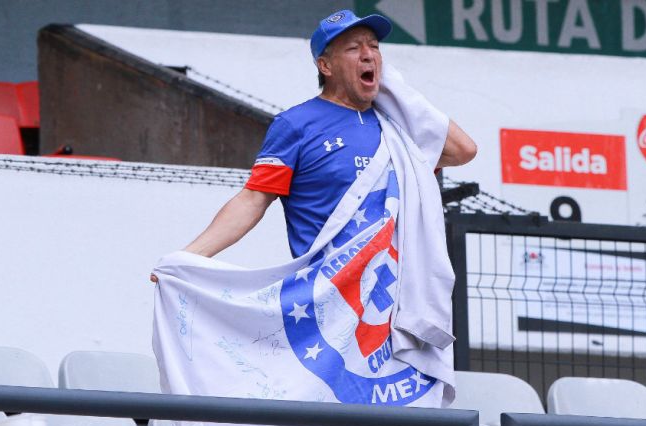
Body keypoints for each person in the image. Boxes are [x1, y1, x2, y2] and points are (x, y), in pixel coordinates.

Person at [153, 9, 476, 268]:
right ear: (325, 65)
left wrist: (399, 91)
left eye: (374, 47)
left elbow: (464, 150)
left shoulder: (397, 125)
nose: (369, 55)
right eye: (354, 48)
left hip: (396, 299)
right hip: (327, 297)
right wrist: (190, 256)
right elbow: (253, 199)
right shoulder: (297, 123)